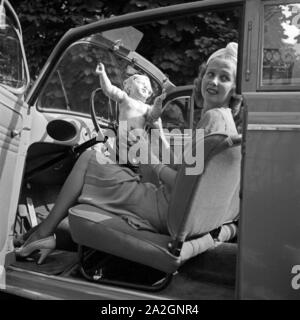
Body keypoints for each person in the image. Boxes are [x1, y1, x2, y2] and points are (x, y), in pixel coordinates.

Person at [15, 42, 241, 264]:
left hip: (163, 211)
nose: (213, 81)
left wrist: (146, 156)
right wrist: (155, 139)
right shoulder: (224, 120)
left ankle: (43, 233)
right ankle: (47, 236)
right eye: (210, 74)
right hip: (181, 213)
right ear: (201, 78)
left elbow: (182, 182)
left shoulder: (212, 120)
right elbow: (189, 171)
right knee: (106, 168)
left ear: (234, 89)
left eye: (224, 77)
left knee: (88, 158)